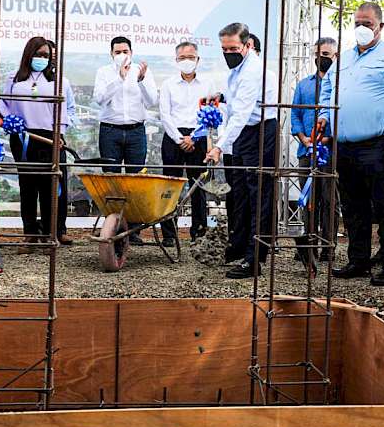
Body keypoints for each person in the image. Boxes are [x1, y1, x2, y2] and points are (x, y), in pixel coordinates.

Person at [317, 2, 384, 286]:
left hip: (379, 142)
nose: (362, 29)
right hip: (345, 144)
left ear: (380, 27)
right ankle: (358, 260)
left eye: (368, 24)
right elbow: (327, 91)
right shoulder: (343, 59)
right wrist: (325, 117)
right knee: (352, 207)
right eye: (358, 24)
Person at [205, 23, 278, 279]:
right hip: (244, 133)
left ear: (248, 45)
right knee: (241, 193)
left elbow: (242, 114)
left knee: (258, 194)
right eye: (224, 49)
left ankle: (254, 258)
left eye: (233, 48)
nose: (228, 53)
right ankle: (238, 247)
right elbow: (235, 102)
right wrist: (221, 96)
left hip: (260, 132)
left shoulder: (253, 71)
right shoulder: (238, 69)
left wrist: (219, 147)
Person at [0, 37, 76, 248]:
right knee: (28, 186)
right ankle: (30, 233)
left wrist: (61, 133)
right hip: (24, 138)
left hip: (51, 137)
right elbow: (3, 103)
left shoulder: (59, 81)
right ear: (29, 54)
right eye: (38, 54)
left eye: (46, 55)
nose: (42, 59)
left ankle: (55, 231)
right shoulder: (13, 78)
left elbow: (67, 110)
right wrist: (10, 121)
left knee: (53, 185)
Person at [93, 36, 158, 245]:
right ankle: (111, 228)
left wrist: (140, 81)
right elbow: (99, 99)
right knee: (110, 180)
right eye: (117, 52)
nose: (122, 55)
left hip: (135, 131)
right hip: (110, 131)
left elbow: (152, 101)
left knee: (135, 180)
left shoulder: (142, 71)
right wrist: (119, 79)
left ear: (132, 52)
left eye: (125, 51)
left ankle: (133, 231)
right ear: (111, 54)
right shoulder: (104, 72)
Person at [158, 41, 215, 246]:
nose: (187, 61)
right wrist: (179, 138)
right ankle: (169, 234)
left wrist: (195, 137)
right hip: (174, 138)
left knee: (197, 187)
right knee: (170, 187)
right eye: (182, 58)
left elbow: (210, 116)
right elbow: (165, 115)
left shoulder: (207, 85)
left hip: (198, 138)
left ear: (198, 60)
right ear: (176, 61)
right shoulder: (168, 84)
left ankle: (198, 232)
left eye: (191, 57)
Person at [291, 37, 336, 262]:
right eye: (318, 54)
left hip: (329, 151)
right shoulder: (303, 85)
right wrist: (303, 139)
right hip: (305, 151)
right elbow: (295, 115)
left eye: (326, 55)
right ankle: (308, 246)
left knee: (329, 200)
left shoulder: (340, 85)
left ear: (335, 56)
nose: (322, 58)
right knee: (308, 199)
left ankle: (329, 246)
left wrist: (326, 139)